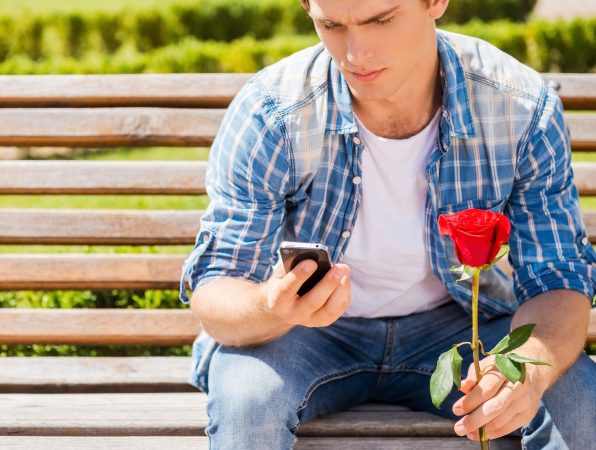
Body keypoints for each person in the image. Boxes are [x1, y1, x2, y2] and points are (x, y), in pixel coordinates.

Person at [178, 0, 596, 448]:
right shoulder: (272, 113)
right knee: (246, 402)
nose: (356, 54)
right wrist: (271, 304)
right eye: (332, 25)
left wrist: (526, 368)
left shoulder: (519, 106)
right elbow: (216, 288)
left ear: (435, 3)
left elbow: (558, 278)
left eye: (382, 20)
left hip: (461, 326)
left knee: (580, 405)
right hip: (303, 334)